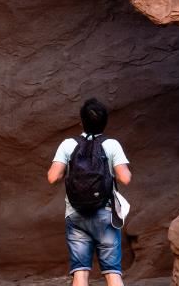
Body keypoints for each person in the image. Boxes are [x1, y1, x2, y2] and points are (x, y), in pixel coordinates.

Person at [47, 98, 132, 286]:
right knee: (112, 273)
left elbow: (53, 177)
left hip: (75, 215)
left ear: (81, 121)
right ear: (105, 122)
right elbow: (125, 178)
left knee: (80, 273)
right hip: (106, 215)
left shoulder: (68, 144)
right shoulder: (112, 145)